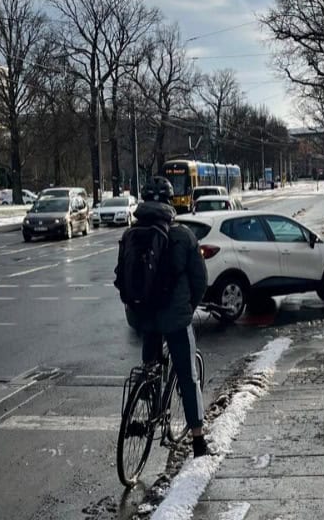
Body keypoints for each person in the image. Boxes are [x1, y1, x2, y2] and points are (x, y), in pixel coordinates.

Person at [115, 176, 211, 458]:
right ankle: (198, 441)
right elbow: (199, 281)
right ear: (170, 203)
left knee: (150, 364)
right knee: (187, 376)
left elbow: (122, 277)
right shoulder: (183, 235)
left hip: (141, 315)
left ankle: (144, 404)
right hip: (175, 318)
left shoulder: (130, 235)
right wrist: (188, 308)